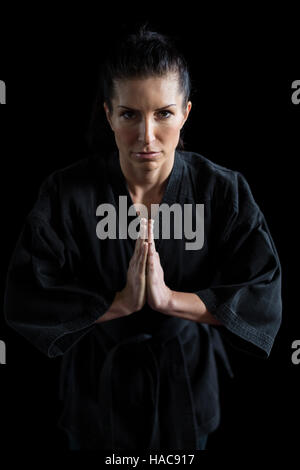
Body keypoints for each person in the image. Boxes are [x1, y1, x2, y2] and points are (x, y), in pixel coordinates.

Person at [3, 26, 282, 451]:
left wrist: (168, 300)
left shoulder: (222, 191)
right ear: (109, 115)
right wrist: (120, 305)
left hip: (187, 379)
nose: (146, 136)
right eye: (130, 114)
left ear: (186, 113)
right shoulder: (66, 194)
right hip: (98, 390)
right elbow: (26, 296)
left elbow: (262, 295)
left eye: (163, 113)